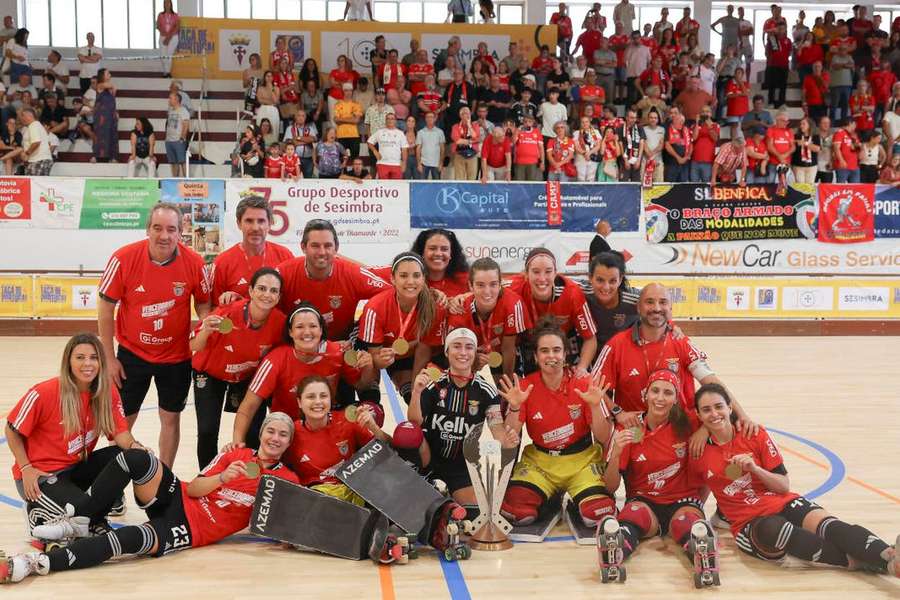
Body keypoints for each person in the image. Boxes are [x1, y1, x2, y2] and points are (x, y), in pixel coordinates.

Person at [1, 413, 300, 584]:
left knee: (127, 540)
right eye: (270, 431)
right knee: (135, 458)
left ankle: (35, 562)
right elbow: (194, 489)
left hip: (191, 530)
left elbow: (276, 526)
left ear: (289, 442)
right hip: (180, 497)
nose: (275, 438)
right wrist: (223, 478)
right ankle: (80, 522)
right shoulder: (234, 454)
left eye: (282, 435)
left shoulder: (288, 480)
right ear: (260, 433)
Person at [690, 384, 900, 578]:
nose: (714, 414)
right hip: (749, 522)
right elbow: (698, 492)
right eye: (706, 410)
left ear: (729, 407)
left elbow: (783, 486)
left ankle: (889, 558)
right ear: (698, 414)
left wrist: (755, 469)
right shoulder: (697, 451)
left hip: (780, 500)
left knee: (830, 526)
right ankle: (862, 561)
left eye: (719, 406)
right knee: (774, 528)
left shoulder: (754, 434)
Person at [98, 203, 211, 468]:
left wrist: (205, 329)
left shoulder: (194, 262)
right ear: (148, 229)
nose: (164, 235)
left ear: (181, 232)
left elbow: (204, 305)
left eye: (172, 229)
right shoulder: (123, 258)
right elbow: (105, 308)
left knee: (170, 419)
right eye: (158, 228)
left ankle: (164, 480)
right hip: (131, 355)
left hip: (177, 358)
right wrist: (109, 358)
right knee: (122, 421)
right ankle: (112, 487)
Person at [592, 283, 755, 453]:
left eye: (663, 302)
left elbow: (712, 383)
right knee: (631, 472)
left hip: (681, 430)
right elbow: (593, 387)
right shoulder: (617, 345)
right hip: (637, 430)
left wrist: (742, 416)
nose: (656, 308)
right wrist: (618, 412)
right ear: (638, 307)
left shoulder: (681, 342)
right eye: (649, 302)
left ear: (670, 308)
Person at [5, 333, 141, 535]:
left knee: (125, 458)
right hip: (40, 476)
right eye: (80, 357)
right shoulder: (45, 392)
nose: (88, 363)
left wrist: (135, 448)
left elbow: (120, 432)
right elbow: (11, 429)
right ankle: (36, 512)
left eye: (93, 357)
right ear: (68, 361)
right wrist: (25, 468)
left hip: (74, 469)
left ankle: (93, 520)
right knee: (82, 511)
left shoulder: (106, 392)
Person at [498, 318, 615, 529]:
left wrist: (596, 406)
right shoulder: (524, 387)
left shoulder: (585, 385)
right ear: (535, 356)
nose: (551, 356)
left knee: (596, 516)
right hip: (541, 463)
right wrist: (514, 407)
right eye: (544, 351)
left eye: (556, 350)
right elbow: (509, 438)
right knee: (518, 513)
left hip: (582, 462)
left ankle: (574, 499)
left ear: (565, 354)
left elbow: (605, 437)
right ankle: (548, 497)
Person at [600, 369, 716, 578]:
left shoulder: (689, 422)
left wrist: (705, 429)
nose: (660, 398)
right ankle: (614, 549)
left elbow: (724, 414)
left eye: (668, 393)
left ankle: (702, 553)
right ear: (645, 394)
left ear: (676, 398)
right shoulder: (632, 428)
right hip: (645, 501)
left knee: (686, 524)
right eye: (655, 391)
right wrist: (615, 454)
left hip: (683, 502)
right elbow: (610, 487)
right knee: (632, 515)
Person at [233, 303, 376, 444]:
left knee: (369, 414)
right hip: (289, 432)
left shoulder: (338, 353)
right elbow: (249, 406)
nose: (307, 332)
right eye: (300, 327)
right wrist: (237, 444)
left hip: (325, 423)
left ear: (321, 329)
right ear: (290, 332)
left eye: (313, 326)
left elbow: (362, 385)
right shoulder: (275, 360)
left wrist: (368, 366)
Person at [191, 268, 286, 468]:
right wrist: (206, 330)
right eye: (261, 288)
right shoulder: (227, 312)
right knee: (208, 430)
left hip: (247, 376)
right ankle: (208, 476)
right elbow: (193, 346)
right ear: (250, 291)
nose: (266, 294)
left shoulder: (280, 322)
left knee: (253, 431)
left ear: (279, 297)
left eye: (273, 290)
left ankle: (248, 476)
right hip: (210, 373)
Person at [408, 328, 507, 504]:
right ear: (447, 351)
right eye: (456, 346)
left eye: (469, 347)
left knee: (476, 515)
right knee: (406, 434)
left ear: (475, 353)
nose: (463, 352)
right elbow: (414, 422)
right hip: (429, 458)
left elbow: (498, 433)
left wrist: (514, 409)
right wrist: (416, 393)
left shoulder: (486, 391)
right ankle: (429, 483)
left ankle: (447, 496)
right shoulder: (434, 384)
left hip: (461, 465)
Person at [277, 219, 387, 344]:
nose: (322, 252)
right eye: (315, 246)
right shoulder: (283, 273)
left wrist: (363, 325)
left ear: (336, 248)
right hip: (296, 347)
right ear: (303, 247)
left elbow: (389, 292)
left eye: (328, 246)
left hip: (341, 347)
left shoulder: (351, 273)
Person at [284, 375, 389, 503]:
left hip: (354, 491)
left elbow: (388, 448)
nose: (318, 401)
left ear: (331, 400)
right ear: (299, 402)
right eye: (311, 397)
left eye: (323, 396)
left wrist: (373, 427)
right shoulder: (290, 432)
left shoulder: (347, 420)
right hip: (315, 501)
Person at [358, 252, 446, 404]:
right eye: (404, 275)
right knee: (370, 397)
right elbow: (375, 357)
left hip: (408, 354)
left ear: (424, 278)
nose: (410, 281)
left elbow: (423, 349)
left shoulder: (435, 307)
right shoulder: (375, 307)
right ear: (393, 278)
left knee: (416, 397)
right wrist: (382, 361)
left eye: (416, 275)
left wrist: (415, 389)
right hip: (376, 353)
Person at [507, 247, 597, 376]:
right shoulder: (513, 288)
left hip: (564, 340)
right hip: (529, 341)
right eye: (536, 272)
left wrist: (582, 368)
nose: (542, 278)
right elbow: (487, 288)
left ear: (555, 273)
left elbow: (590, 339)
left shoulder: (571, 293)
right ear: (526, 274)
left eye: (548, 272)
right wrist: (466, 297)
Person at [446, 258, 529, 379]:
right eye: (480, 285)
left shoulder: (513, 304)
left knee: (508, 386)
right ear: (470, 285)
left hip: (500, 352)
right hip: (470, 351)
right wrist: (472, 360)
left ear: (500, 285)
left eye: (493, 284)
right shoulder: (459, 310)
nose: (487, 291)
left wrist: (507, 383)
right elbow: (454, 354)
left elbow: (508, 349)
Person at [211, 197, 293, 307]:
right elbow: (214, 308)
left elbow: (292, 301)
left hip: (277, 323)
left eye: (261, 221)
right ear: (239, 223)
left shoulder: (285, 256)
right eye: (249, 221)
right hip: (236, 324)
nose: (255, 228)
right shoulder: (222, 262)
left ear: (269, 224)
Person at [584, 251, 640, 349]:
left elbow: (659, 303)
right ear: (590, 277)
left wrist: (672, 326)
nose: (606, 287)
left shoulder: (634, 299)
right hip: (586, 352)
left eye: (612, 281)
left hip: (620, 353)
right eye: (600, 280)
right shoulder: (579, 292)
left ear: (620, 280)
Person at [368, 112, 408, 180]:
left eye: (392, 119)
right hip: (382, 163)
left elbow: (404, 149)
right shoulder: (380, 132)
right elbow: (369, 142)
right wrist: (375, 151)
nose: (390, 120)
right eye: (388, 119)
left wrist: (404, 163)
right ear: (385, 120)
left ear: (395, 121)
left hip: (396, 164)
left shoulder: (400, 133)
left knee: (396, 187)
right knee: (384, 188)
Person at [91, 68, 117, 163]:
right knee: (99, 134)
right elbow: (111, 86)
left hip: (110, 113)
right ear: (103, 76)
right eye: (108, 73)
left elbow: (113, 99)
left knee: (112, 134)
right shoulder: (100, 85)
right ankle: (95, 155)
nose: (110, 74)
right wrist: (112, 87)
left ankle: (112, 156)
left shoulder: (108, 88)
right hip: (101, 114)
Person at [283, 110, 317, 179]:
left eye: (303, 116)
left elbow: (313, 139)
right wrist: (307, 140)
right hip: (294, 159)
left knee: (308, 180)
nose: (301, 118)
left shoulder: (310, 128)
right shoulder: (290, 128)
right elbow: (291, 143)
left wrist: (298, 138)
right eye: (299, 115)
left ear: (305, 118)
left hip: (308, 159)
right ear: (295, 117)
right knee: (293, 179)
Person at [19, 107, 53, 176]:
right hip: (40, 160)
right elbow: (48, 143)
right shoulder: (37, 125)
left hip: (38, 161)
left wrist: (27, 154)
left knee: (34, 185)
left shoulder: (33, 125)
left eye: (23, 116)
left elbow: (36, 142)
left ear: (29, 115)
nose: (21, 118)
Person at [690, 105, 719, 183]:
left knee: (706, 184)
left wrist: (709, 126)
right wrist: (697, 123)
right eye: (703, 112)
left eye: (707, 112)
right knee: (693, 184)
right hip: (695, 160)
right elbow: (694, 138)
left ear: (711, 114)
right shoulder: (695, 125)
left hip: (708, 161)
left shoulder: (715, 125)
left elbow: (715, 138)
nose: (705, 114)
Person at [334, 82, 363, 158]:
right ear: (343, 91)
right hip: (341, 135)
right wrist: (351, 118)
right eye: (346, 90)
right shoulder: (338, 104)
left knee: (355, 159)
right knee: (341, 160)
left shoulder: (356, 104)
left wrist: (342, 119)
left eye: (350, 90)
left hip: (354, 135)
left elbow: (356, 121)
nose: (349, 92)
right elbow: (336, 120)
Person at [416, 111, 445, 180]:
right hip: (423, 163)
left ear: (435, 119)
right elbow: (418, 149)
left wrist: (441, 163)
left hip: (436, 163)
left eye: (431, 117)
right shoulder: (420, 132)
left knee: (437, 186)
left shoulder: (440, 132)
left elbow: (442, 149)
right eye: (428, 117)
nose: (429, 119)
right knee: (422, 186)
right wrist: (419, 164)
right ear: (425, 119)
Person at [617, 109, 645, 182]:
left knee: (636, 183)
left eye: (635, 118)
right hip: (625, 160)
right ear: (626, 117)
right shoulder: (620, 128)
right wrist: (625, 160)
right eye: (631, 117)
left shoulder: (639, 128)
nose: (633, 120)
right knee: (624, 183)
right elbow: (620, 145)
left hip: (636, 159)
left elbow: (642, 144)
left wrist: (639, 160)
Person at [791, 117, 820, 184]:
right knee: (800, 186)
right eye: (800, 124)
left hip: (812, 166)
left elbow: (817, 149)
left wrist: (805, 143)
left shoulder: (815, 136)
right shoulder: (796, 136)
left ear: (809, 125)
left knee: (809, 186)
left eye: (804, 124)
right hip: (798, 165)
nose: (801, 126)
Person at [573, 115, 601, 182]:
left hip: (592, 157)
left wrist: (589, 153)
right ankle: (581, 193)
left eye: (586, 122)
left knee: (591, 178)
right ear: (580, 123)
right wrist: (585, 153)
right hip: (580, 158)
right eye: (582, 122)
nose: (585, 124)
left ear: (589, 122)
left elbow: (598, 145)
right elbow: (576, 147)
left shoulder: (595, 132)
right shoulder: (576, 133)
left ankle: (590, 192)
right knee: (580, 178)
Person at [832, 118, 860, 183]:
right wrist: (841, 160)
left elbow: (856, 149)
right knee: (841, 188)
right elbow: (836, 148)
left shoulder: (854, 135)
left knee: (855, 189)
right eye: (855, 124)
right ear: (850, 123)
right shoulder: (839, 133)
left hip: (855, 165)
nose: (855, 126)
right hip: (843, 166)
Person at [156, 0, 179, 77]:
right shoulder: (160, 15)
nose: (167, 4)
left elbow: (177, 27)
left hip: (173, 37)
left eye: (168, 2)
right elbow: (158, 26)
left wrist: (169, 37)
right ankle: (166, 71)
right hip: (163, 36)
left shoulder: (175, 15)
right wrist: (165, 35)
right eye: (165, 3)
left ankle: (167, 73)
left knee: (169, 55)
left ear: (171, 4)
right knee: (163, 56)